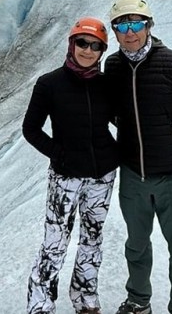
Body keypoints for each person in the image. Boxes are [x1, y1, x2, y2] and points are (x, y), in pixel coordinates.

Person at [104, 0, 172, 314]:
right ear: (115, 31)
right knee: (136, 246)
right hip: (134, 177)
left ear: (149, 25)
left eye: (136, 24)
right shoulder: (113, 65)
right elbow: (111, 111)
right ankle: (138, 300)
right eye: (122, 26)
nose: (130, 32)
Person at [23, 17, 119, 314]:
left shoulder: (106, 85)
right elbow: (31, 129)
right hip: (65, 178)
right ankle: (40, 304)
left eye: (95, 46)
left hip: (102, 175)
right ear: (71, 43)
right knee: (55, 240)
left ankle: (85, 297)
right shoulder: (50, 84)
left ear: (102, 51)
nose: (88, 51)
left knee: (92, 238)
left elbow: (122, 121)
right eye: (82, 43)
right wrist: (58, 154)